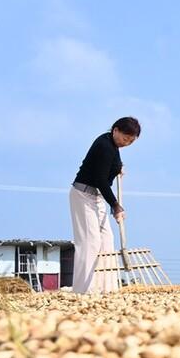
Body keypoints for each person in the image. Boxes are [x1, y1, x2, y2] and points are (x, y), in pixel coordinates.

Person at [70, 117, 139, 294]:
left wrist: (117, 168)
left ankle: (106, 288)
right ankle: (83, 290)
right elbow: (101, 179)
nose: (126, 143)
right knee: (89, 242)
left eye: (130, 142)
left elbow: (111, 164)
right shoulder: (104, 145)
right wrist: (115, 205)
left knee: (107, 241)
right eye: (125, 138)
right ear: (115, 130)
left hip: (98, 197)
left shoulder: (114, 146)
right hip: (83, 195)